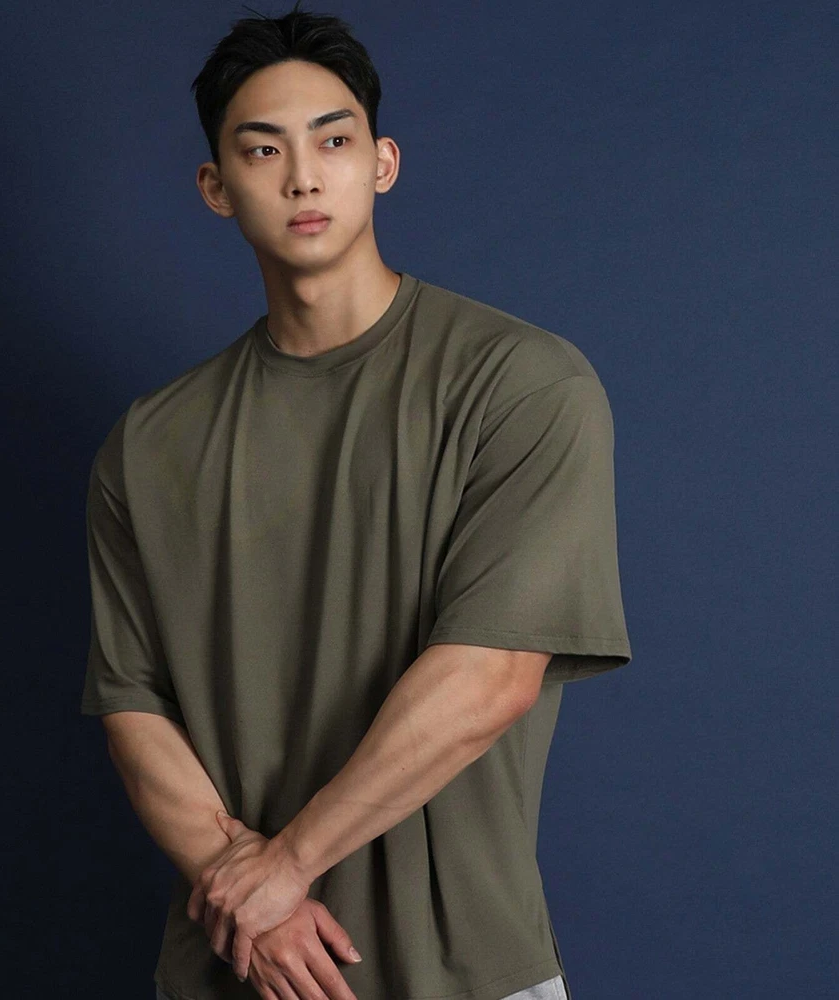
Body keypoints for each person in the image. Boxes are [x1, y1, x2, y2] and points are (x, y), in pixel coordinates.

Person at [79, 4, 632, 999]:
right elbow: (132, 704)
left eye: (332, 141)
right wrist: (250, 892)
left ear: (382, 163)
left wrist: (284, 867)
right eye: (263, 150)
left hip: (463, 969)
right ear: (215, 186)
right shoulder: (149, 442)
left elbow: (491, 674)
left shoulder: (521, 385)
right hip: (234, 967)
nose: (302, 176)